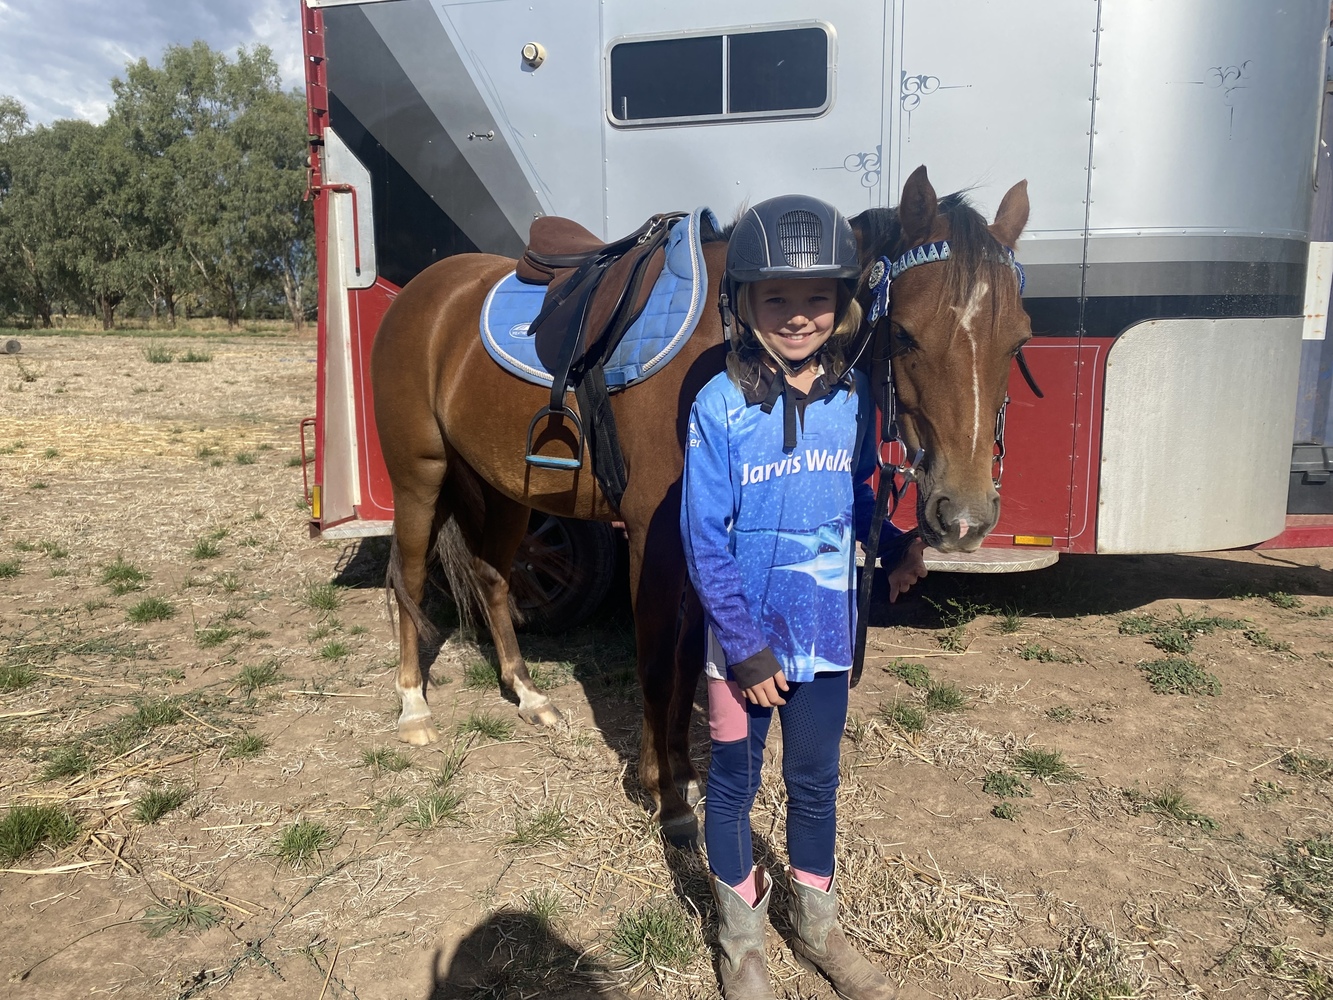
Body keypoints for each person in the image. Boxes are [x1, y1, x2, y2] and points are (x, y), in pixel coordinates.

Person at [681, 195, 927, 1000]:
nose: (797, 316)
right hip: (741, 650)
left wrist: (890, 545)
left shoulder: (852, 401)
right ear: (742, 303)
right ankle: (741, 944)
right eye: (775, 299)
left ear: (842, 304)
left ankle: (817, 928)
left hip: (823, 635)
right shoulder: (717, 406)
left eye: (815, 298)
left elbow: (854, 498)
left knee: (814, 784)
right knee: (732, 786)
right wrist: (745, 650)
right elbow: (703, 539)